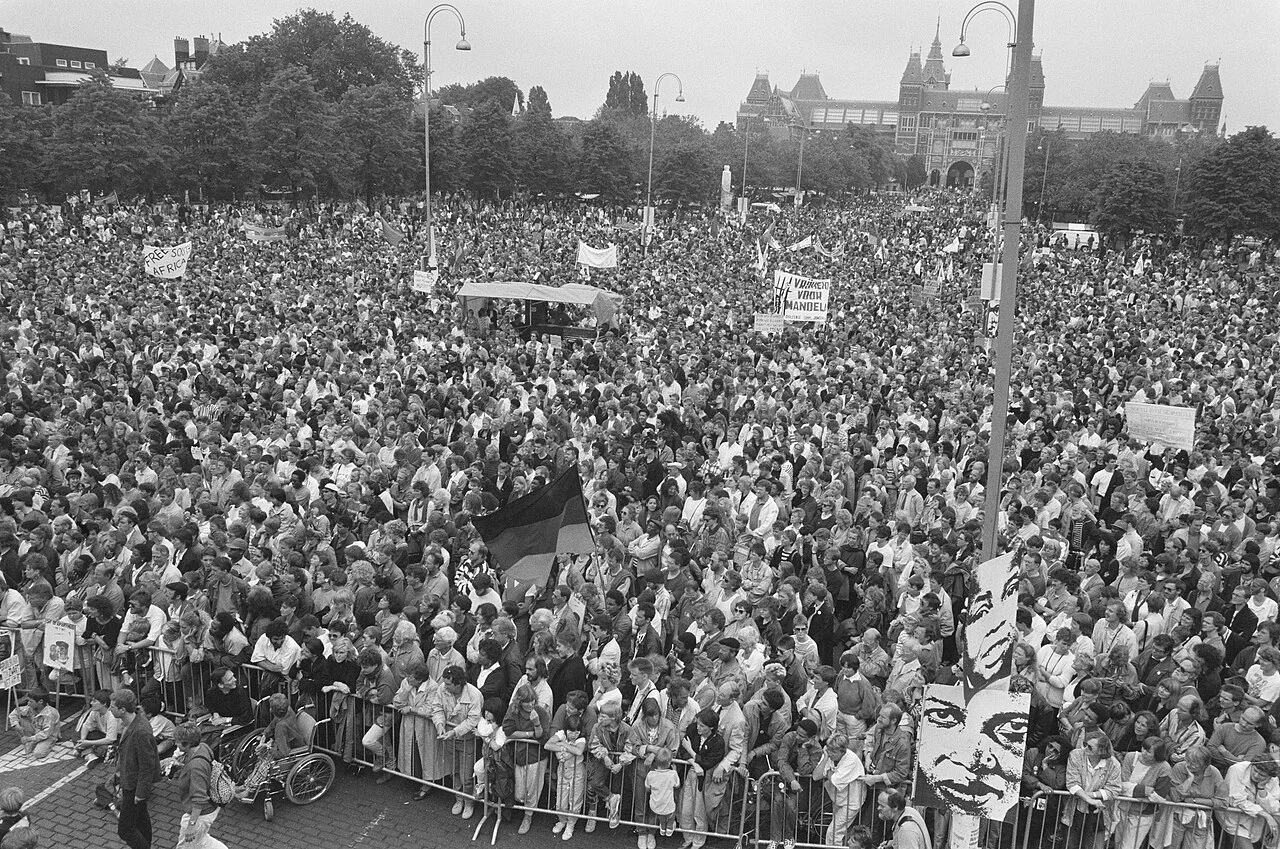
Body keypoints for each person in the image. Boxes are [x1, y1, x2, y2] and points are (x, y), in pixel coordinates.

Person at [112, 688, 160, 849]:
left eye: (113, 707)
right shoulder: (133, 723)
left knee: (125, 830)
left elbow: (147, 765)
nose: (110, 709)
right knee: (141, 819)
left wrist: (141, 793)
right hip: (131, 781)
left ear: (122, 709)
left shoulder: (140, 731)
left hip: (134, 785)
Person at [172, 723, 228, 849]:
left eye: (178, 742)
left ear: (187, 744)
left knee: (185, 846)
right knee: (201, 841)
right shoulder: (203, 747)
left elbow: (199, 799)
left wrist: (191, 826)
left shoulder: (196, 767)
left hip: (200, 814)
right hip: (210, 808)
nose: (176, 744)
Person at [7, 688, 59, 759]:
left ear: (40, 701)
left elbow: (45, 734)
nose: (28, 703)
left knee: (38, 754)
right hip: (35, 730)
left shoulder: (50, 714)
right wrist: (16, 724)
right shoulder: (30, 707)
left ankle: (47, 743)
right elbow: (15, 712)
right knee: (20, 718)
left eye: (31, 701)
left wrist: (29, 739)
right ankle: (32, 742)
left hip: (48, 736)